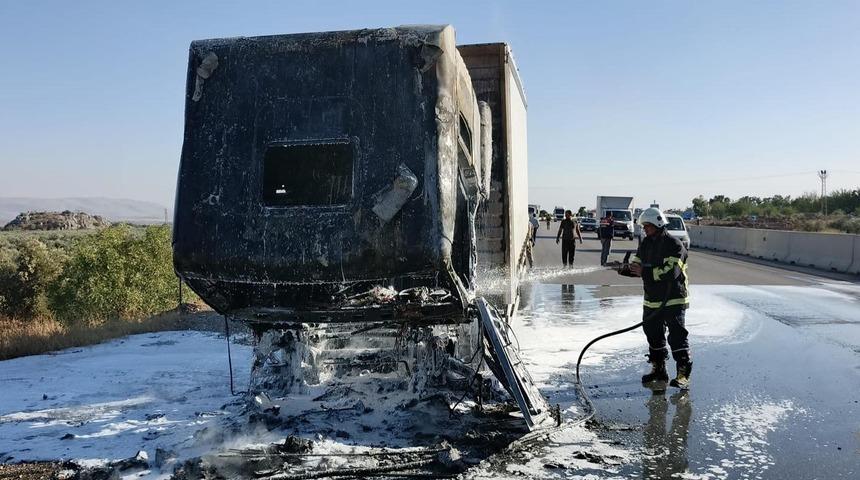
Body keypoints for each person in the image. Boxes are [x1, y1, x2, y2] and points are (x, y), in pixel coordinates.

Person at [627, 207, 692, 389]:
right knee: (653, 334)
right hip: (652, 299)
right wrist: (626, 269)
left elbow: (672, 272)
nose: (645, 229)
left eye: (647, 225)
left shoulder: (675, 245)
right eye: (643, 226)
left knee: (677, 337)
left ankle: (683, 375)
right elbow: (638, 265)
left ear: (657, 223)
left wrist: (644, 271)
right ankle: (659, 369)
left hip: (673, 299)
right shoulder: (646, 244)